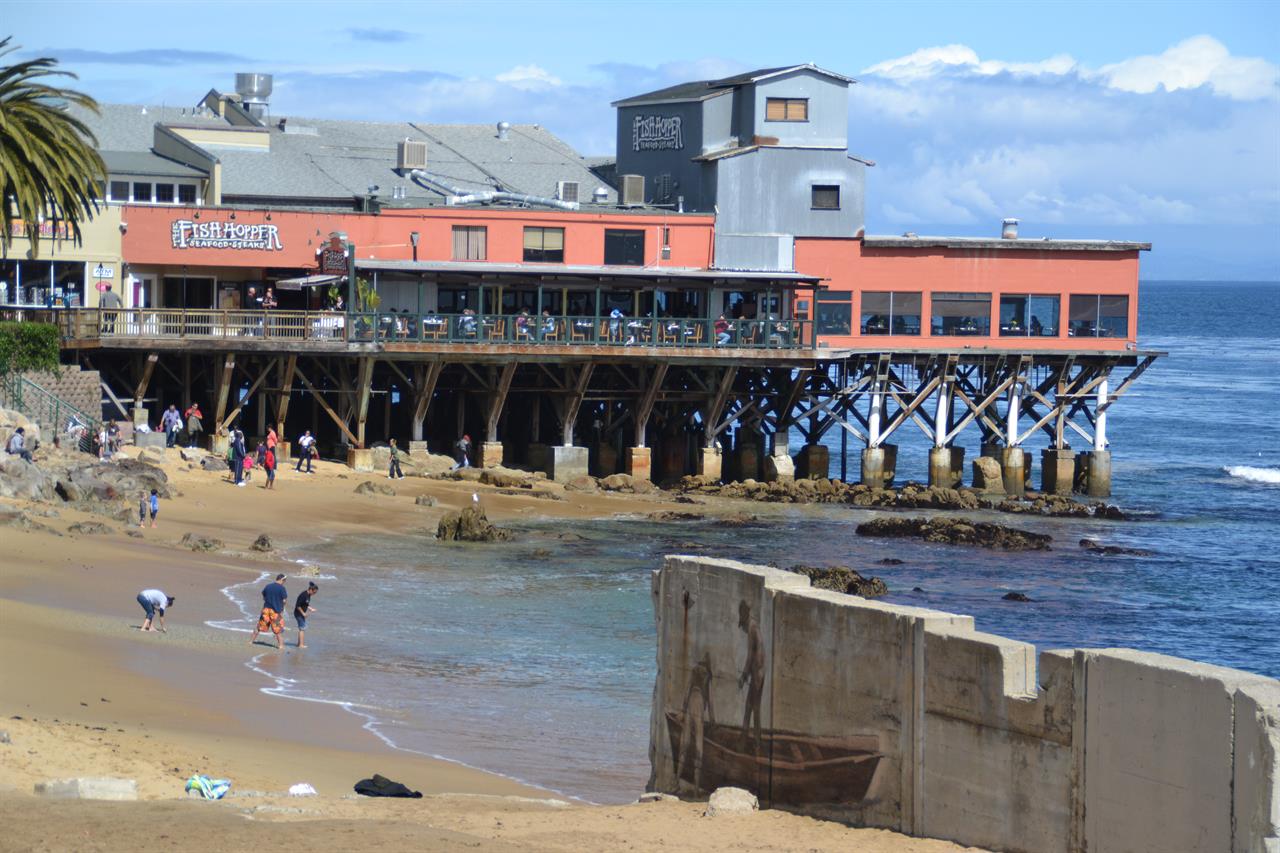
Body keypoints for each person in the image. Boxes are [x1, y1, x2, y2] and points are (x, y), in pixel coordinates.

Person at [249, 574, 288, 650]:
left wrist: (268, 600)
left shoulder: (268, 586)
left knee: (259, 626)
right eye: (284, 581)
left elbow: (263, 595)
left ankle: (251, 641)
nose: (284, 582)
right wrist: (282, 608)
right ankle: (281, 646)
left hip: (266, 609)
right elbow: (284, 600)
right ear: (281, 580)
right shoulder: (282, 588)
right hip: (275, 611)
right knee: (277, 630)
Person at [293, 582, 318, 648]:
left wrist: (310, 608)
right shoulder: (303, 595)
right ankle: (301, 645)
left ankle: (299, 644)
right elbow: (298, 606)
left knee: (302, 628)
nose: (314, 594)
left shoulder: (308, 595)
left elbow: (306, 604)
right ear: (310, 590)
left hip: (301, 614)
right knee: (302, 628)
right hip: (298, 614)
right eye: (314, 592)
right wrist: (303, 613)